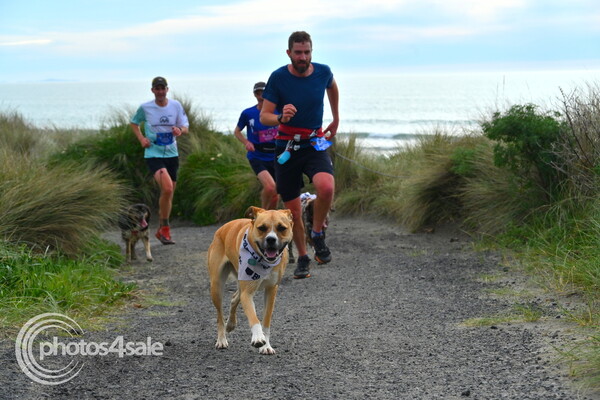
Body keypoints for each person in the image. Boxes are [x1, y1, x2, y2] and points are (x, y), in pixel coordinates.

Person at [260, 31, 340, 279]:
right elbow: (265, 116)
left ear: (311, 52)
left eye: (307, 52)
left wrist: (336, 118)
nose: (303, 57)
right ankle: (303, 257)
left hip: (314, 142)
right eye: (298, 53)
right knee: (292, 211)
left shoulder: (323, 72)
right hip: (287, 146)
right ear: (289, 53)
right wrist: (281, 117)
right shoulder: (278, 77)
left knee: (326, 187)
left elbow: (332, 87)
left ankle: (317, 233)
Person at [130, 76, 189, 245]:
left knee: (168, 193)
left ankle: (162, 229)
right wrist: (142, 139)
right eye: (157, 88)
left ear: (167, 90)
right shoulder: (146, 107)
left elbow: (185, 127)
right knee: (168, 188)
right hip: (153, 154)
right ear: (153, 90)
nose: (160, 91)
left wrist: (179, 130)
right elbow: (134, 123)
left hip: (172, 154)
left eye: (163, 88)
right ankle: (165, 229)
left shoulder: (176, 106)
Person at [233, 81, 279, 210]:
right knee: (270, 187)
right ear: (254, 95)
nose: (261, 96)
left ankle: (271, 216)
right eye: (258, 93)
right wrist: (246, 142)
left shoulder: (278, 111)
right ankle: (262, 214)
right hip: (257, 155)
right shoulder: (248, 113)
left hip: (276, 155)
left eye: (264, 92)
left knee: (276, 194)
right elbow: (237, 131)